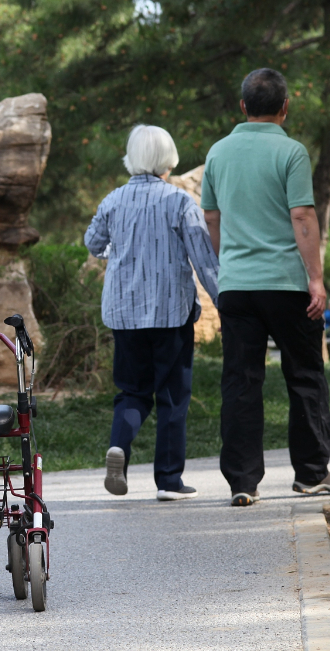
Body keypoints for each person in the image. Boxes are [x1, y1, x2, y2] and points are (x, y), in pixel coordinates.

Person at [200, 68, 330, 507]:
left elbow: (211, 218)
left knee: (240, 382)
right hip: (286, 285)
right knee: (304, 374)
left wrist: (228, 262)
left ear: (243, 107)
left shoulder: (218, 152)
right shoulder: (291, 151)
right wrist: (316, 279)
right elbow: (302, 216)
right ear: (285, 108)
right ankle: (310, 474)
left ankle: (243, 482)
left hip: (238, 288)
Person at [84, 125, 220, 502]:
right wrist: (225, 303)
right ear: (168, 158)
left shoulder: (113, 200)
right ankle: (169, 481)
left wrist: (118, 251)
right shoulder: (179, 202)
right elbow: (205, 261)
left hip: (124, 314)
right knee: (173, 397)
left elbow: (93, 243)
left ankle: (119, 447)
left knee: (132, 391)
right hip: (170, 313)